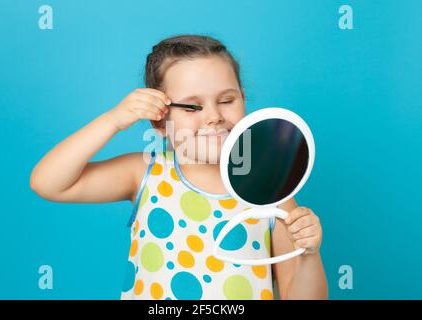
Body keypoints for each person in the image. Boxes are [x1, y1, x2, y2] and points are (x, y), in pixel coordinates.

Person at [30, 34, 328, 300]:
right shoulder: (144, 173)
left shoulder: (273, 194)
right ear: (159, 119)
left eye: (226, 100)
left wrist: (309, 255)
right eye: (191, 107)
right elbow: (48, 182)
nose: (213, 116)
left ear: (243, 100)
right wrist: (113, 120)